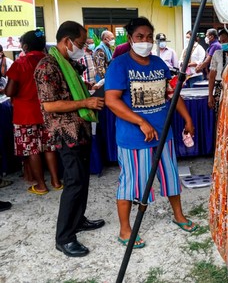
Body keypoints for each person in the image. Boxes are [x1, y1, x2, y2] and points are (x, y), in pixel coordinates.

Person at [105, 17, 198, 248]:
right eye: (140, 37)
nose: (145, 42)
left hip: (163, 134)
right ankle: (125, 230)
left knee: (170, 177)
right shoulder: (119, 65)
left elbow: (171, 94)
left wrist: (187, 118)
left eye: (149, 37)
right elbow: (111, 101)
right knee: (130, 183)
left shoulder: (159, 64)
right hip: (134, 138)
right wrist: (140, 122)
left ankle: (178, 215)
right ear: (130, 39)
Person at [34, 21, 106, 257]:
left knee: (82, 180)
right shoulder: (47, 66)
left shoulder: (65, 64)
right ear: (67, 42)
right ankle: (64, 237)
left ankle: (78, 219)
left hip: (81, 130)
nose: (83, 48)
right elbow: (49, 104)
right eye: (81, 43)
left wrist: (89, 89)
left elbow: (71, 88)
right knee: (74, 182)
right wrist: (85, 102)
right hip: (66, 133)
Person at [5, 29, 62, 195]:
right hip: (48, 111)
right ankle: (56, 181)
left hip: (25, 114)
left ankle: (41, 186)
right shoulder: (51, 61)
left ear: (25, 46)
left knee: (33, 150)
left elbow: (9, 91)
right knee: (50, 147)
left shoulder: (20, 63)